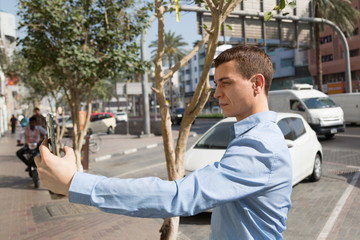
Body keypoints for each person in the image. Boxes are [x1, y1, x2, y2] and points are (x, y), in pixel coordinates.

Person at [35, 45, 292, 239]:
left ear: (257, 84)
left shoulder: (262, 146)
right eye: (216, 84)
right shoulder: (251, 137)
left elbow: (180, 196)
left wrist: (74, 183)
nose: (216, 93)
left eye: (225, 83)